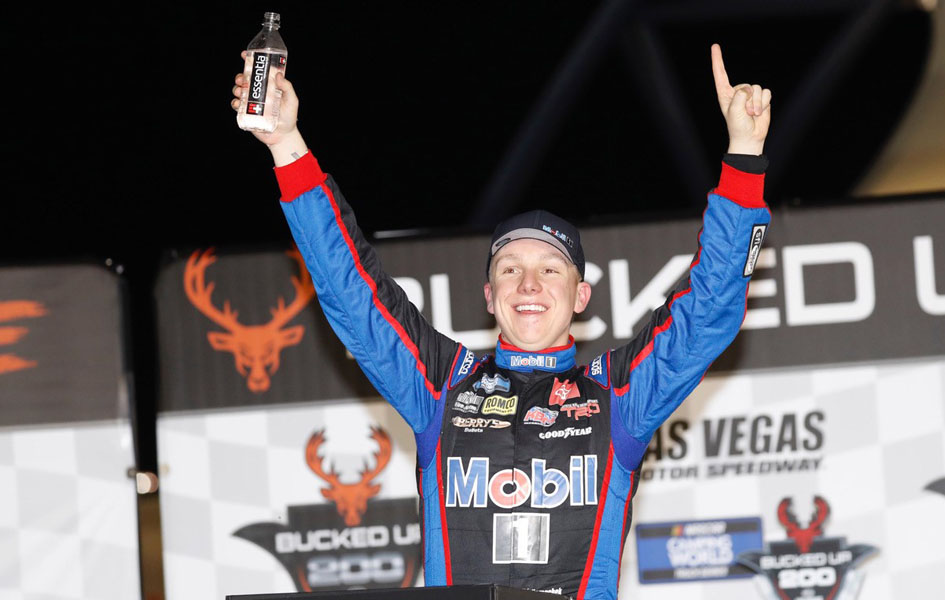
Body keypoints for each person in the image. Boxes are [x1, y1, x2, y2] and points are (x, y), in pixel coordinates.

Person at [231, 43, 772, 600]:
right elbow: (352, 293)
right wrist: (286, 145)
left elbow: (710, 309)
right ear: (490, 297)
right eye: (511, 269)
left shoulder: (618, 394)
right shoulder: (442, 385)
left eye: (550, 270)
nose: (529, 285)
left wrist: (745, 158)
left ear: (581, 296)